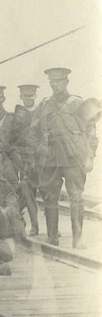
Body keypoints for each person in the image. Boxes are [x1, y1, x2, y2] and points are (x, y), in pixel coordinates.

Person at [35, 67, 98, 248]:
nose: (56, 85)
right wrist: (38, 150)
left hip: (72, 158)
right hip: (51, 158)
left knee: (76, 197)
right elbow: (33, 129)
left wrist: (90, 156)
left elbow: (91, 132)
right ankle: (52, 237)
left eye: (59, 81)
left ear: (67, 82)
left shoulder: (77, 103)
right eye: (52, 82)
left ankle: (77, 239)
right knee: (50, 197)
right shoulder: (45, 104)